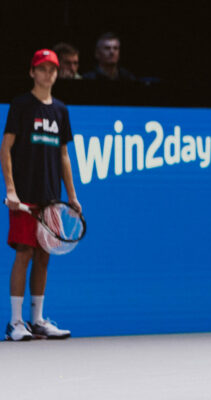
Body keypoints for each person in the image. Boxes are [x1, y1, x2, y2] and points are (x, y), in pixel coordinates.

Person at [1, 49, 81, 341]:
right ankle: (15, 323)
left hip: (51, 197)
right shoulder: (21, 105)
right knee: (24, 253)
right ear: (32, 72)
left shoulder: (60, 110)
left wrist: (71, 196)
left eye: (53, 69)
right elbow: (6, 148)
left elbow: (64, 156)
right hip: (24, 196)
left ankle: (37, 320)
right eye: (42, 69)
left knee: (44, 256)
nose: (48, 74)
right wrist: (10, 189)